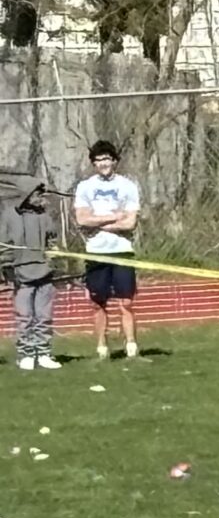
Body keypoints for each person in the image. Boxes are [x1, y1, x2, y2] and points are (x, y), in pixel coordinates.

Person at [71, 140, 138, 360]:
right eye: (99, 160)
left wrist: (98, 222)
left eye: (107, 159)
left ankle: (131, 347)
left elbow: (130, 224)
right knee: (98, 301)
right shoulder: (85, 187)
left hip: (122, 250)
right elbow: (82, 219)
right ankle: (102, 348)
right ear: (93, 163)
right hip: (96, 251)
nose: (103, 163)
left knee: (126, 302)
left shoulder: (127, 186)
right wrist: (114, 216)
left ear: (115, 161)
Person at [1, 165, 59, 371]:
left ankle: (43, 352)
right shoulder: (9, 215)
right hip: (21, 274)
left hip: (44, 272)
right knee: (25, 315)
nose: (41, 197)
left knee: (44, 315)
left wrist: (53, 258)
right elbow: (4, 245)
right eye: (37, 194)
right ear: (26, 195)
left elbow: (53, 242)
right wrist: (7, 269)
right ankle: (26, 353)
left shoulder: (45, 216)